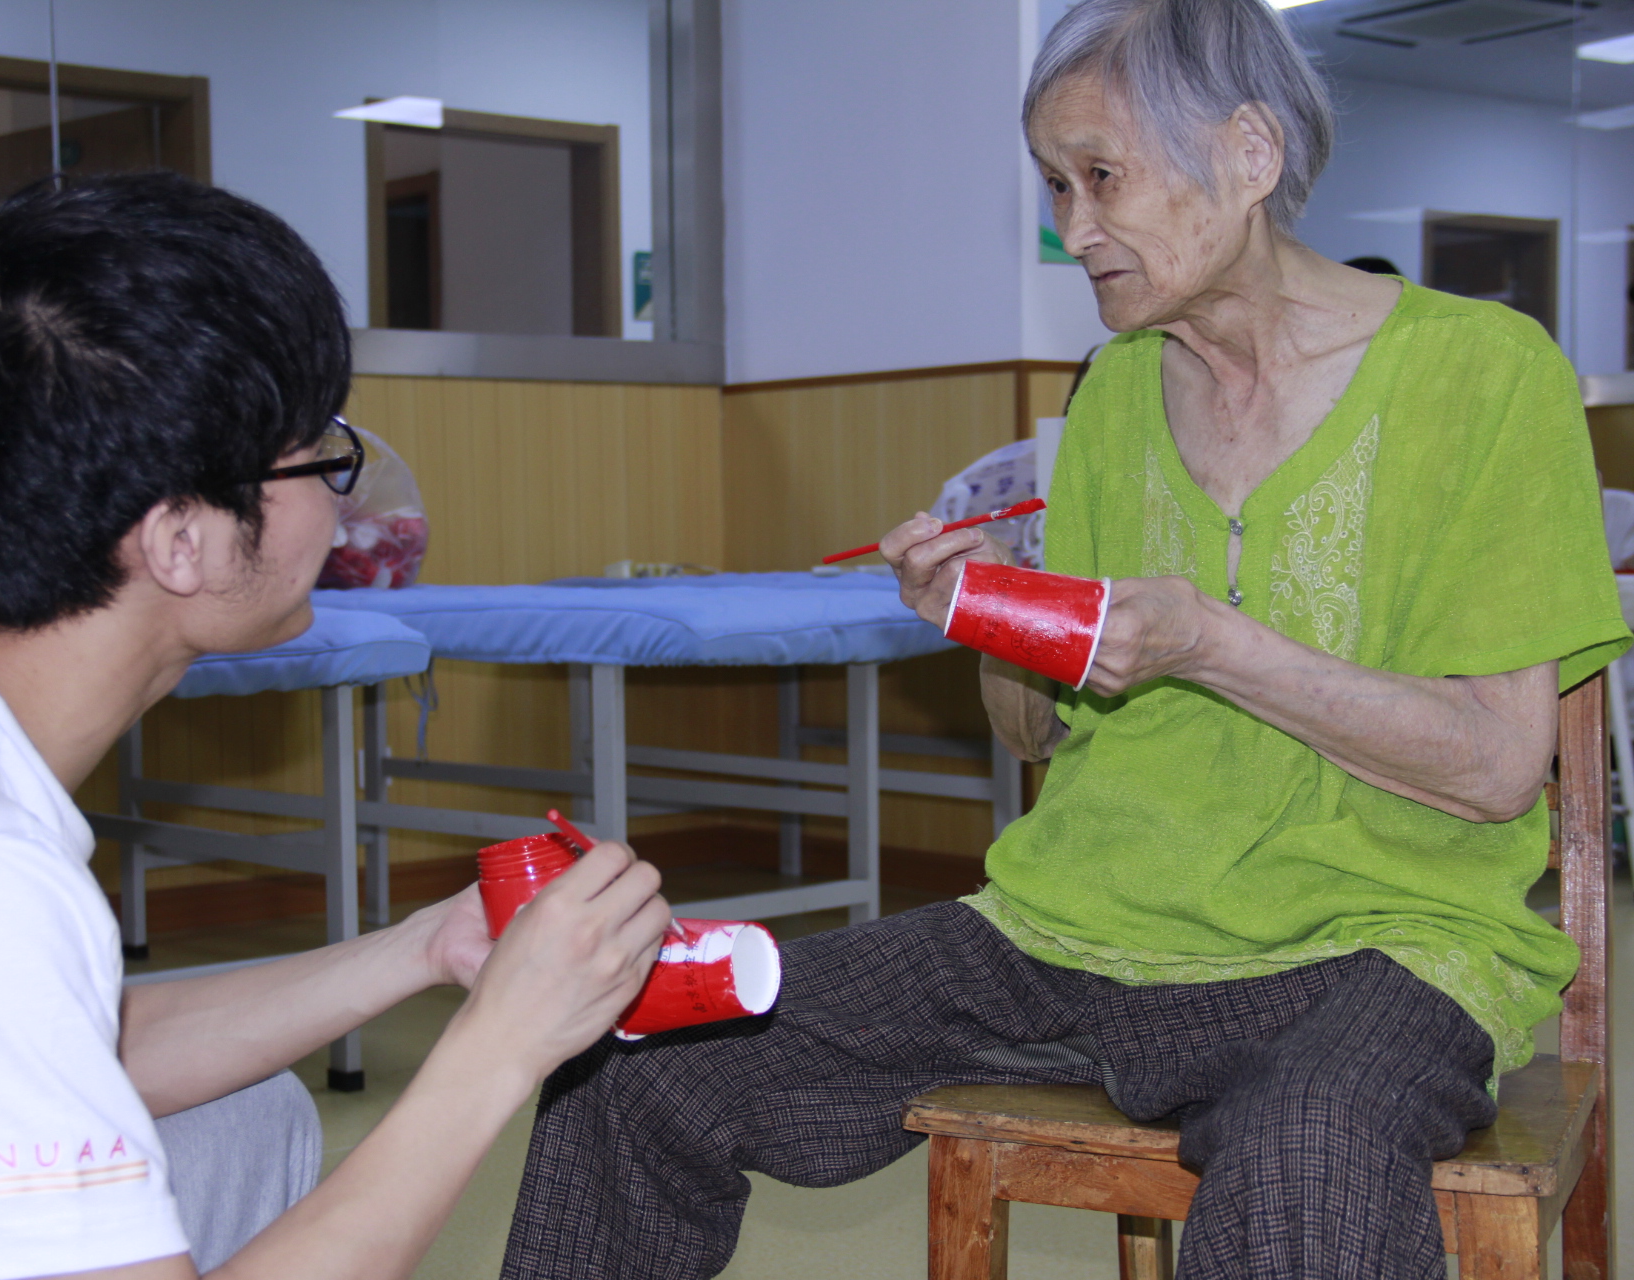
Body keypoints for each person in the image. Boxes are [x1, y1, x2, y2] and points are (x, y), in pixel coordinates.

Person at [496, 0, 1629, 1276]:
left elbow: (1490, 767)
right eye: (1052, 184)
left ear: (1250, 158)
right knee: (640, 1058)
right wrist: (993, 617)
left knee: (1309, 1147)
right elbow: (1045, 735)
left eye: (1101, 177)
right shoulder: (1116, 389)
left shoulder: (1485, 373)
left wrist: (1209, 639)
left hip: (1377, 938)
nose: (1071, 229)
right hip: (1071, 925)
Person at [0, 173, 671, 1280]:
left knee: (244, 1113)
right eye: (319, 454)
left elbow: (56, 1032)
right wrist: (500, 1046)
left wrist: (424, 950)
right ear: (182, 541)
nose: (345, 504)